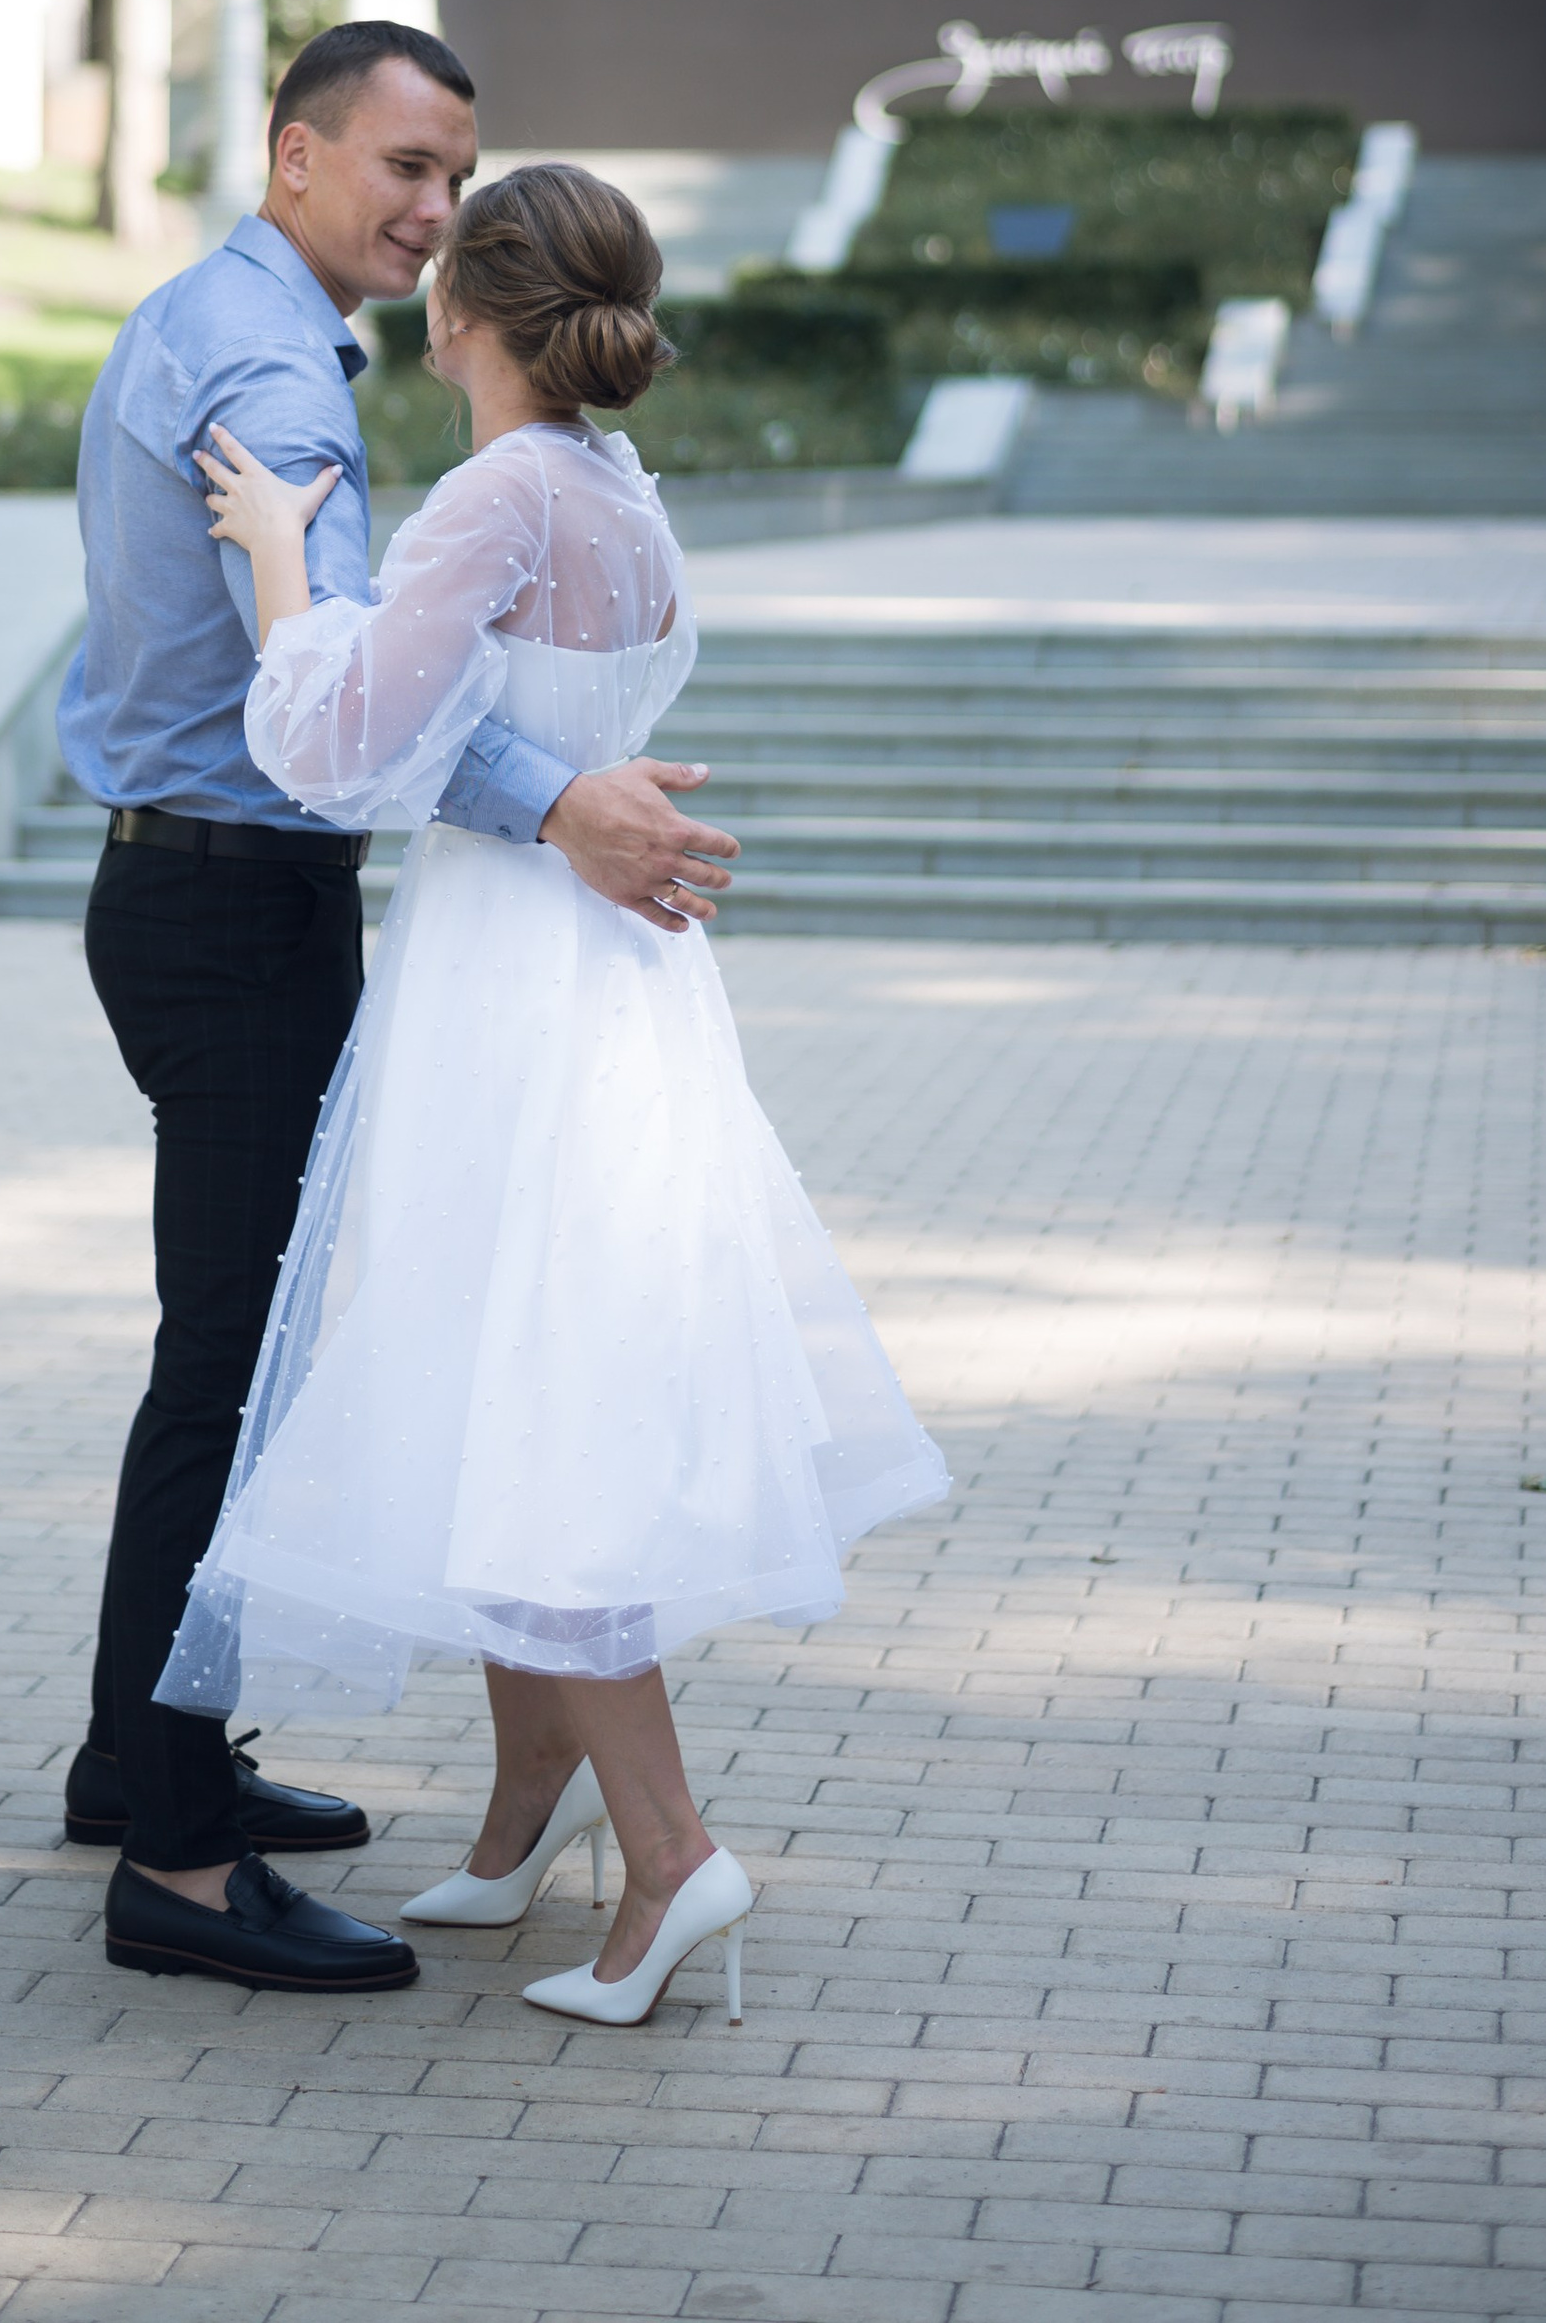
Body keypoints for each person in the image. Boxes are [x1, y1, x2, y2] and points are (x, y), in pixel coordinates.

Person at [161, 160, 948, 2027]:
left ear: (461, 311)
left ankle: (670, 1855)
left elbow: (338, 744)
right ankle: (528, 1812)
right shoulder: (616, 488)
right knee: (508, 1374)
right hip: (609, 980)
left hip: (515, 987)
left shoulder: (500, 490)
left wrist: (279, 561)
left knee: (539, 1407)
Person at [59, 24, 746, 2000]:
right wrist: (558, 800)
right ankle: (177, 1861)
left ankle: (145, 1761)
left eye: (458, 175)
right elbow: (353, 713)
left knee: (240, 1354)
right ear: (295, 154)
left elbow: (370, 680)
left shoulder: (217, 315)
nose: (431, 208)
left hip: (207, 887)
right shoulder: (283, 376)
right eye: (401, 165)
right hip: (233, 902)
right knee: (231, 1372)